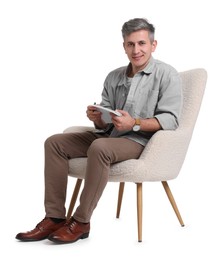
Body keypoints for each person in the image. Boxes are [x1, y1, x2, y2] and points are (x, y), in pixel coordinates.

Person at [16, 18, 183, 244]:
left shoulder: (167, 74)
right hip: (109, 135)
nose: (137, 50)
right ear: (124, 46)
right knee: (54, 142)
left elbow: (171, 119)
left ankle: (82, 221)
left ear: (153, 45)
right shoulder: (114, 76)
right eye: (131, 44)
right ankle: (54, 217)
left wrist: (134, 122)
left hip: (140, 140)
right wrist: (99, 119)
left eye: (142, 43)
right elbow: (106, 120)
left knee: (100, 147)